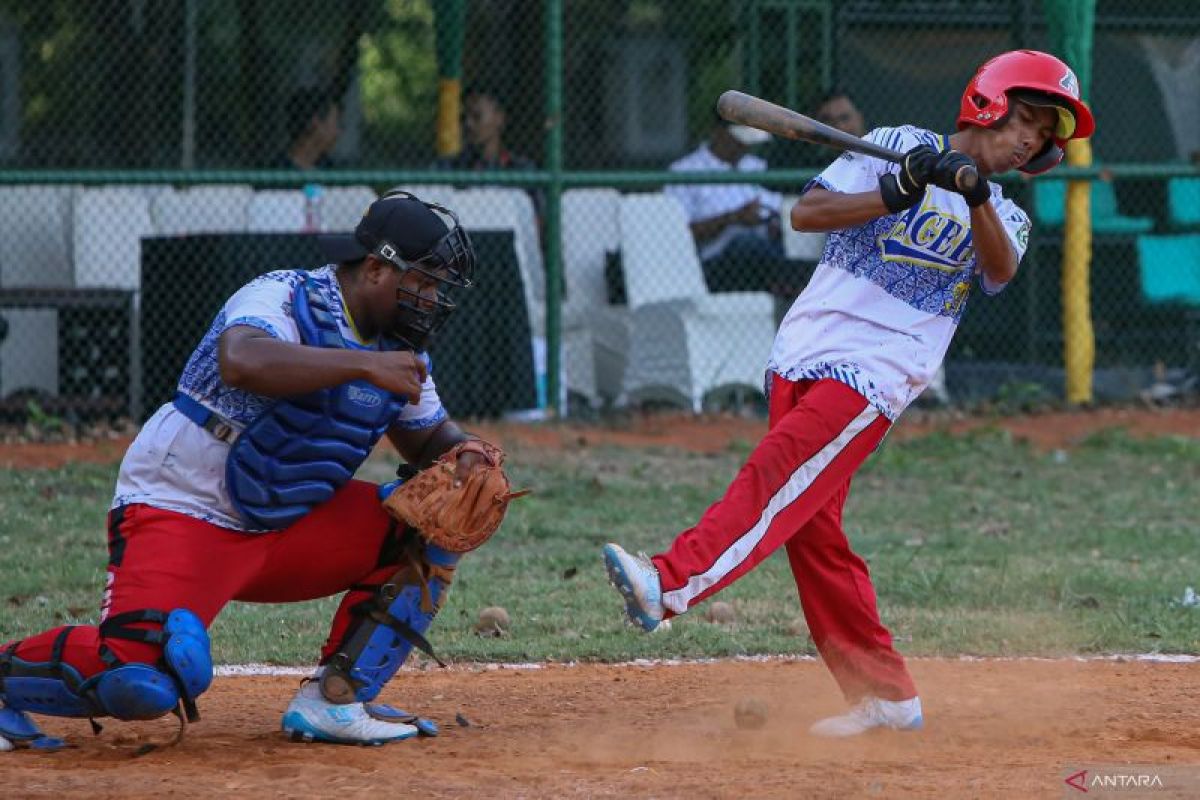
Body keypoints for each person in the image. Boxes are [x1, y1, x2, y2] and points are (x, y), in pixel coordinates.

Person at [603, 50, 1093, 737]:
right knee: (814, 533)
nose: (1031, 141)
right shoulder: (893, 146)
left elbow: (998, 268)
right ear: (990, 102)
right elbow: (809, 214)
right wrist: (897, 191)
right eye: (1030, 121)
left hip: (877, 372)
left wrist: (974, 191)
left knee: (774, 475)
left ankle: (668, 583)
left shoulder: (1006, 214)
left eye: (1043, 137)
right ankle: (885, 694)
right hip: (804, 351)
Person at [0, 191, 496, 750]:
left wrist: (469, 457)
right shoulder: (286, 293)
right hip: (185, 504)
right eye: (423, 282)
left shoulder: (399, 349)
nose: (431, 300)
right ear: (378, 267)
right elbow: (242, 361)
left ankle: (336, 699)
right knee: (138, 683)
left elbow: (431, 437)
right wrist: (364, 364)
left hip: (291, 520)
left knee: (435, 521)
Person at [666, 114, 789, 295]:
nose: (746, 145)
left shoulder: (759, 167)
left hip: (766, 252)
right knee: (747, 246)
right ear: (719, 132)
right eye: (740, 139)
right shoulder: (685, 171)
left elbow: (779, 209)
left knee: (799, 258)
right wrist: (734, 218)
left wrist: (775, 224)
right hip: (713, 261)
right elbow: (677, 235)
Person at [436, 87, 544, 225]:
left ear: (499, 118)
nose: (468, 124)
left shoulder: (521, 169)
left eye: (477, 116)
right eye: (465, 117)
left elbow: (538, 222)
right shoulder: (450, 167)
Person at [276, 87, 341, 170]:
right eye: (335, 124)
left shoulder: (329, 168)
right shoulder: (280, 169)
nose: (338, 132)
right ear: (316, 123)